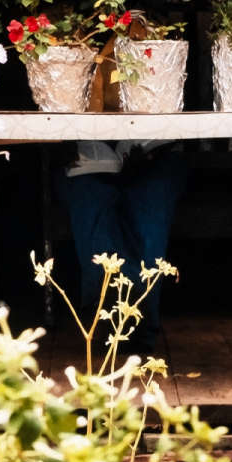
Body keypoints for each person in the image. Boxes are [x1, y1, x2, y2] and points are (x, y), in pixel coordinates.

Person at [54, 140, 189, 339]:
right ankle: (107, 312)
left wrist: (154, 148)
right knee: (91, 201)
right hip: (85, 165)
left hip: (155, 158)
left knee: (149, 206)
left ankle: (134, 316)